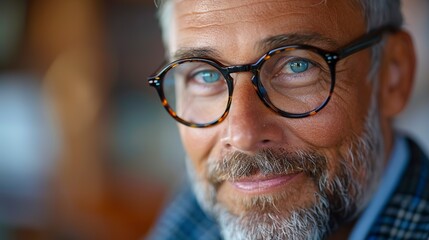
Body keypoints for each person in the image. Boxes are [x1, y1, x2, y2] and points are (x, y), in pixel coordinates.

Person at [146, 0, 429, 239]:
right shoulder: (192, 215)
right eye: (204, 75)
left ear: (393, 74)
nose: (243, 136)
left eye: (297, 66)